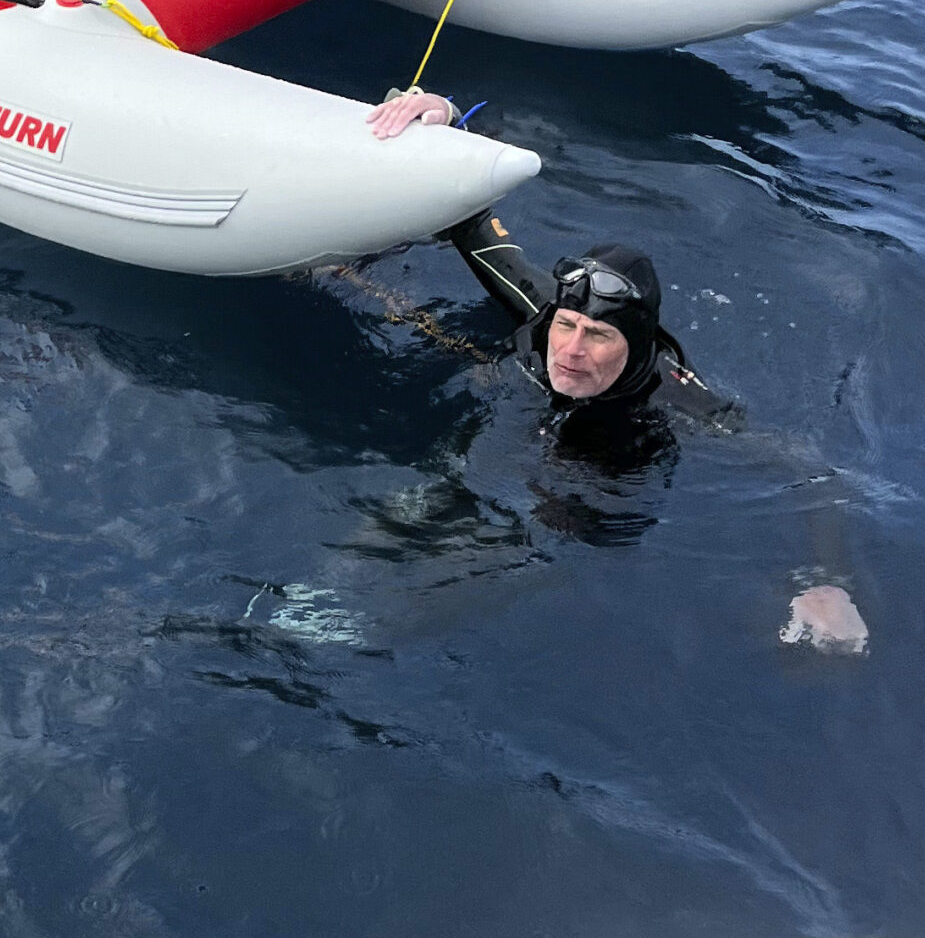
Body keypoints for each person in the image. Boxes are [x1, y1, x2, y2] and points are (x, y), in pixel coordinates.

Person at [366, 92, 868, 647]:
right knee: (413, 506)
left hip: (600, 495)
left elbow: (813, 476)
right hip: (510, 444)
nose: (570, 350)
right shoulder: (544, 314)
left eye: (598, 336)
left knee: (531, 553)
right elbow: (473, 223)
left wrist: (830, 583)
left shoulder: (678, 401)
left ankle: (378, 630)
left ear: (635, 345)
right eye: (566, 326)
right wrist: (437, 117)